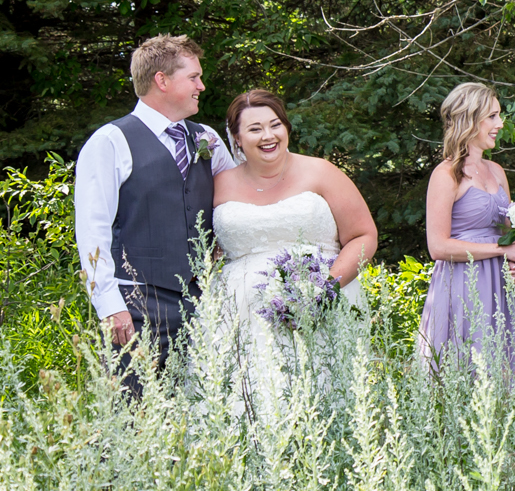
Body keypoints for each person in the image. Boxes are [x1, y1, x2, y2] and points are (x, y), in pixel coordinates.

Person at [74, 36, 233, 392]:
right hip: (135, 305)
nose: (201, 86)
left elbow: (236, 197)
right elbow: (92, 230)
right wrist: (108, 305)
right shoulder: (110, 141)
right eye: (193, 77)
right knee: (132, 412)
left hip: (204, 302)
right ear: (162, 80)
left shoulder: (206, 138)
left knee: (202, 410)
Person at [209, 89, 378, 411]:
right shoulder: (218, 184)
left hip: (324, 308)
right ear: (237, 138)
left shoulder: (321, 172)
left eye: (275, 125)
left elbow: (363, 236)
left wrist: (323, 290)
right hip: (240, 316)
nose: (268, 135)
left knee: (324, 401)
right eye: (255, 129)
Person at [419, 82, 515, 373]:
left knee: (505, 373)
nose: (500, 124)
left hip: (500, 286)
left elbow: (510, 236)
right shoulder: (446, 174)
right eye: (492, 116)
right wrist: (501, 250)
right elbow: (437, 246)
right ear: (469, 119)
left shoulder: (497, 171)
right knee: (464, 369)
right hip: (462, 284)